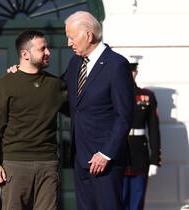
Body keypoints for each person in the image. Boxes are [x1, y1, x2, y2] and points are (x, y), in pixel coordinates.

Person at [0, 30, 67, 210]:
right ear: (25, 54)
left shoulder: (55, 85)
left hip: (48, 164)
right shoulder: (5, 84)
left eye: (47, 48)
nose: (48, 52)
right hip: (14, 165)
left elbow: (81, 111)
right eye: (42, 49)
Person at [63, 11, 134, 210]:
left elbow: (124, 115)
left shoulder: (116, 65)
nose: (69, 43)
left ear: (88, 35)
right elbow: (59, 91)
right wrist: (25, 73)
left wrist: (106, 153)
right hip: (80, 156)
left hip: (104, 161)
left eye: (71, 36)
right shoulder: (75, 62)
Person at [123, 57, 161, 210]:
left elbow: (153, 129)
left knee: (137, 201)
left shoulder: (146, 96)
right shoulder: (113, 95)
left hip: (140, 154)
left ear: (136, 72)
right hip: (119, 153)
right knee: (120, 199)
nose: (130, 73)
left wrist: (154, 160)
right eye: (127, 70)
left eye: (133, 70)